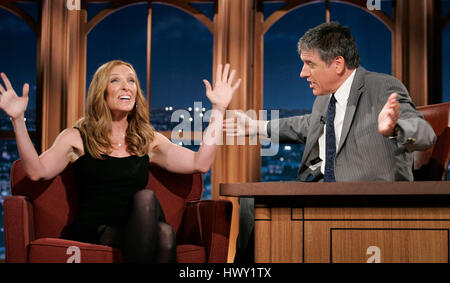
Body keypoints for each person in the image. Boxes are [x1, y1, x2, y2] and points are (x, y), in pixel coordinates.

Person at [224, 22, 437, 262]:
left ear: (337, 64)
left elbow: (426, 135)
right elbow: (306, 125)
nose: (303, 73)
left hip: (363, 197)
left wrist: (394, 127)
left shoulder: (382, 87)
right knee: (251, 203)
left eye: (310, 64)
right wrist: (257, 127)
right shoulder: (326, 99)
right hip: (320, 188)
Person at [0, 60, 241, 262]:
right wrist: (18, 120)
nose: (126, 87)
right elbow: (36, 171)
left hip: (139, 227)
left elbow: (201, 163)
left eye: (132, 80)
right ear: (101, 91)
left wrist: (218, 109)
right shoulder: (76, 137)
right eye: (115, 80)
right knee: (162, 230)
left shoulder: (146, 139)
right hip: (96, 230)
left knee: (164, 232)